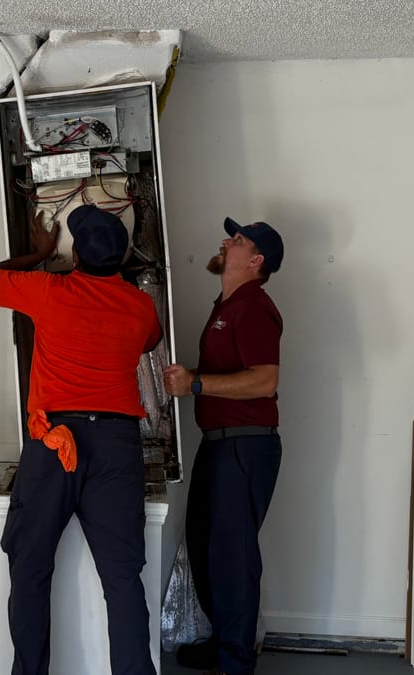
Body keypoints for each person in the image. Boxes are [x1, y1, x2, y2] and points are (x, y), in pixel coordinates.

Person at [0, 204, 163, 675]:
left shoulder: (47, 289)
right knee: (121, 578)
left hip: (57, 441)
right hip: (117, 444)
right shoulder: (140, 307)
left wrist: (35, 255)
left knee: (31, 568)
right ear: (120, 259)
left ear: (75, 257)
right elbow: (150, 343)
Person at [163, 218, 284, 675]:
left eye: (238, 241)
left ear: (256, 261)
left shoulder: (253, 306)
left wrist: (195, 385)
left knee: (232, 557)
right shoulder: (226, 306)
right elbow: (226, 376)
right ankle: (224, 644)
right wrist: (188, 378)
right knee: (205, 547)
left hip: (245, 449)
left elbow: (264, 380)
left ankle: (235, 661)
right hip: (219, 448)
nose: (225, 242)